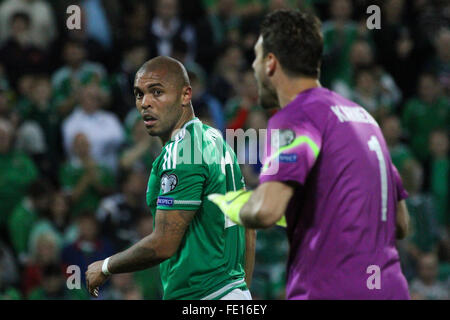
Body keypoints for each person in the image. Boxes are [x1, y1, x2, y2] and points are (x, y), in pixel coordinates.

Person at [209, 9, 411, 299]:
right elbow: (400, 224)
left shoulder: (295, 117)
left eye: (255, 57)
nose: (252, 67)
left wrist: (227, 204)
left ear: (270, 63)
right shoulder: (363, 117)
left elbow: (267, 210)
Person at [86, 56, 256, 300]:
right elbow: (249, 229)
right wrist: (241, 292)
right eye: (139, 94)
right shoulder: (216, 141)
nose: (145, 103)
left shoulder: (181, 152)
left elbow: (163, 244)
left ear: (186, 95)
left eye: (157, 92)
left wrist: (105, 266)